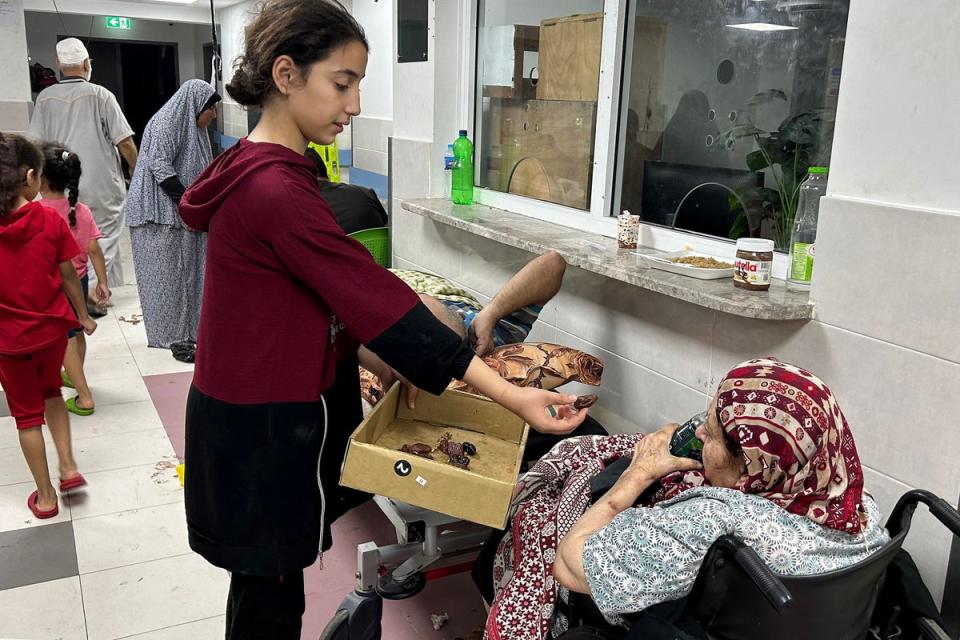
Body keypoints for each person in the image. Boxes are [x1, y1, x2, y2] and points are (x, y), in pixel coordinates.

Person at [176, 2, 588, 637]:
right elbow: (379, 303)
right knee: (270, 600)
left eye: (359, 85)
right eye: (343, 83)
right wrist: (512, 396)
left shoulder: (253, 169)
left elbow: (311, 308)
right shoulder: (276, 192)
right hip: (261, 431)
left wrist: (374, 359)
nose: (356, 104)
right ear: (286, 75)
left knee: (266, 585)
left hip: (242, 417)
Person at [482, 357, 889, 640]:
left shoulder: (712, 522)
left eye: (711, 433)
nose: (700, 436)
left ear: (753, 467)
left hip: (676, 623)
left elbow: (571, 564)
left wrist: (636, 475)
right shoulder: (862, 511)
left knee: (539, 521)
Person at [0, 133, 94, 519]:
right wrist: (84, 315)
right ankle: (68, 465)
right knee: (52, 391)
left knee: (26, 418)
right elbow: (69, 276)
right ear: (29, 177)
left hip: (9, 342)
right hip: (53, 331)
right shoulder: (49, 220)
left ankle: (45, 497)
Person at [28, 37, 139, 299]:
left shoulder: (44, 98)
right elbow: (124, 141)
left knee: (72, 236)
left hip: (60, 184)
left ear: (58, 64)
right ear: (87, 63)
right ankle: (91, 291)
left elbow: (34, 144)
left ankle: (96, 289)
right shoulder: (100, 94)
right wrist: (135, 168)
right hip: (100, 183)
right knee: (105, 235)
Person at [124, 80, 221, 352]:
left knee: (188, 274)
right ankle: (169, 335)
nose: (213, 114)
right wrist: (185, 202)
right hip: (156, 214)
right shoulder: (168, 121)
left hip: (179, 215)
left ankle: (189, 331)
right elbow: (159, 163)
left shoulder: (195, 129)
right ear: (196, 106)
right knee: (165, 277)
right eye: (211, 108)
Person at [38, 142, 109, 416]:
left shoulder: (40, 213)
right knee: (77, 333)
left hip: (53, 286)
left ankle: (84, 396)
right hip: (78, 280)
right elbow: (94, 249)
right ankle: (74, 373)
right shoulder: (81, 210)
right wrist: (102, 283)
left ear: (40, 179)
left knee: (65, 337)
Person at [305, 145, 388, 234]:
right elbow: (386, 226)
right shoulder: (366, 193)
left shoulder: (305, 208)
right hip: (375, 247)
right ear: (326, 172)